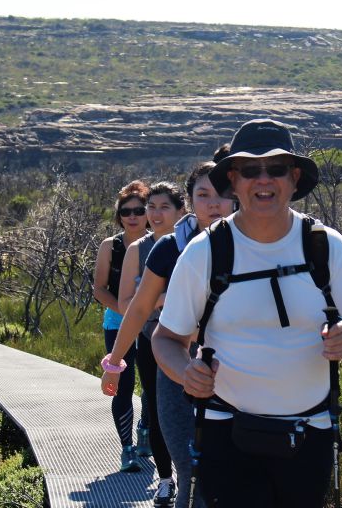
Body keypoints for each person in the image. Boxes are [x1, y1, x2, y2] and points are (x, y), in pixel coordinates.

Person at [152, 119, 342, 508]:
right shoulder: (205, 252)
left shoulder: (326, 248)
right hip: (226, 433)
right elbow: (166, 339)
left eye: (276, 169)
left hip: (310, 435)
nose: (264, 179)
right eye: (250, 170)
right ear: (234, 181)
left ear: (293, 179)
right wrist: (185, 374)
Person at [103, 148, 233, 508]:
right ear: (190, 202)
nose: (214, 204)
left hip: (238, 373)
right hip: (176, 369)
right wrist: (114, 363)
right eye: (203, 195)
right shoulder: (169, 249)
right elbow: (139, 307)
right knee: (190, 472)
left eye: (223, 195)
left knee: (233, 474)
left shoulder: (259, 247)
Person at [116, 182, 186, 483]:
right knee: (158, 409)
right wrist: (158, 298)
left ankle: (191, 478)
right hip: (150, 339)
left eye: (164, 207)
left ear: (181, 210)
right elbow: (125, 304)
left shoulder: (194, 245)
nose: (155, 214)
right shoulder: (138, 249)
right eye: (151, 207)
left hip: (191, 341)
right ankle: (165, 479)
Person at [93, 180, 150, 473]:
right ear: (119, 216)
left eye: (139, 210)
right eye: (126, 211)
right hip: (117, 324)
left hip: (154, 325)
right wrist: (126, 311)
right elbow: (99, 288)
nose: (133, 216)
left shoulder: (160, 244)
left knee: (153, 388)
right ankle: (126, 448)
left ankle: (146, 430)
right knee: (123, 386)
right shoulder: (110, 247)